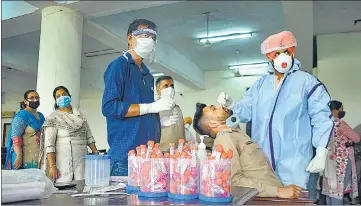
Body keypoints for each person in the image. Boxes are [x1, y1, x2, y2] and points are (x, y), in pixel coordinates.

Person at [217, 31, 334, 189]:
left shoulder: (307, 82)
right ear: (269, 56)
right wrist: (231, 105)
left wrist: (321, 151)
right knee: (266, 197)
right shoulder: (260, 85)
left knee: (293, 199)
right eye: (277, 53)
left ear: (293, 52)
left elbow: (321, 117)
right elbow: (245, 111)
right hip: (261, 161)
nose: (283, 57)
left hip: (294, 160)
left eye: (287, 51)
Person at [102, 19, 175, 176]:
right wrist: (151, 107)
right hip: (126, 157)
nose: (148, 40)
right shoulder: (119, 66)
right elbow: (109, 107)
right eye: (143, 35)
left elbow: (140, 111)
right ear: (130, 38)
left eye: (152, 37)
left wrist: (158, 120)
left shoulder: (147, 75)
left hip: (149, 155)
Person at [192, 102, 302, 198]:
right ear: (213, 123)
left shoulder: (235, 134)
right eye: (214, 109)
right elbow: (234, 182)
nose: (220, 106)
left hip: (274, 196)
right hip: (263, 200)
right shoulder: (224, 139)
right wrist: (277, 191)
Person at [39, 86, 99, 182]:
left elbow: (89, 137)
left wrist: (97, 155)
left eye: (64, 94)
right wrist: (52, 166)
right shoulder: (53, 118)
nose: (62, 97)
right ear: (55, 100)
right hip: (63, 164)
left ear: (69, 96)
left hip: (82, 161)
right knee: (64, 193)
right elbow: (49, 145)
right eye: (58, 96)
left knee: (82, 188)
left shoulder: (80, 116)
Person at [322, 100, 360, 205]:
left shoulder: (324, 123)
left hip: (328, 161)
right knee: (338, 189)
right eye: (341, 109)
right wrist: (349, 141)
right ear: (334, 111)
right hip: (341, 161)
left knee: (330, 188)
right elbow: (356, 138)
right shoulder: (341, 124)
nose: (342, 112)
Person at [4, 90, 45, 170]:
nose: (35, 100)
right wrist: (19, 155)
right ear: (25, 101)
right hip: (24, 158)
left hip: (39, 156)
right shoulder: (21, 116)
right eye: (32, 98)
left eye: (37, 97)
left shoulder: (41, 116)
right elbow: (16, 137)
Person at [155, 76, 185, 152]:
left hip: (179, 152)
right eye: (166, 86)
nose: (170, 89)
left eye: (172, 86)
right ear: (158, 90)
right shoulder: (154, 109)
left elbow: (181, 131)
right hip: (162, 152)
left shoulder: (177, 108)